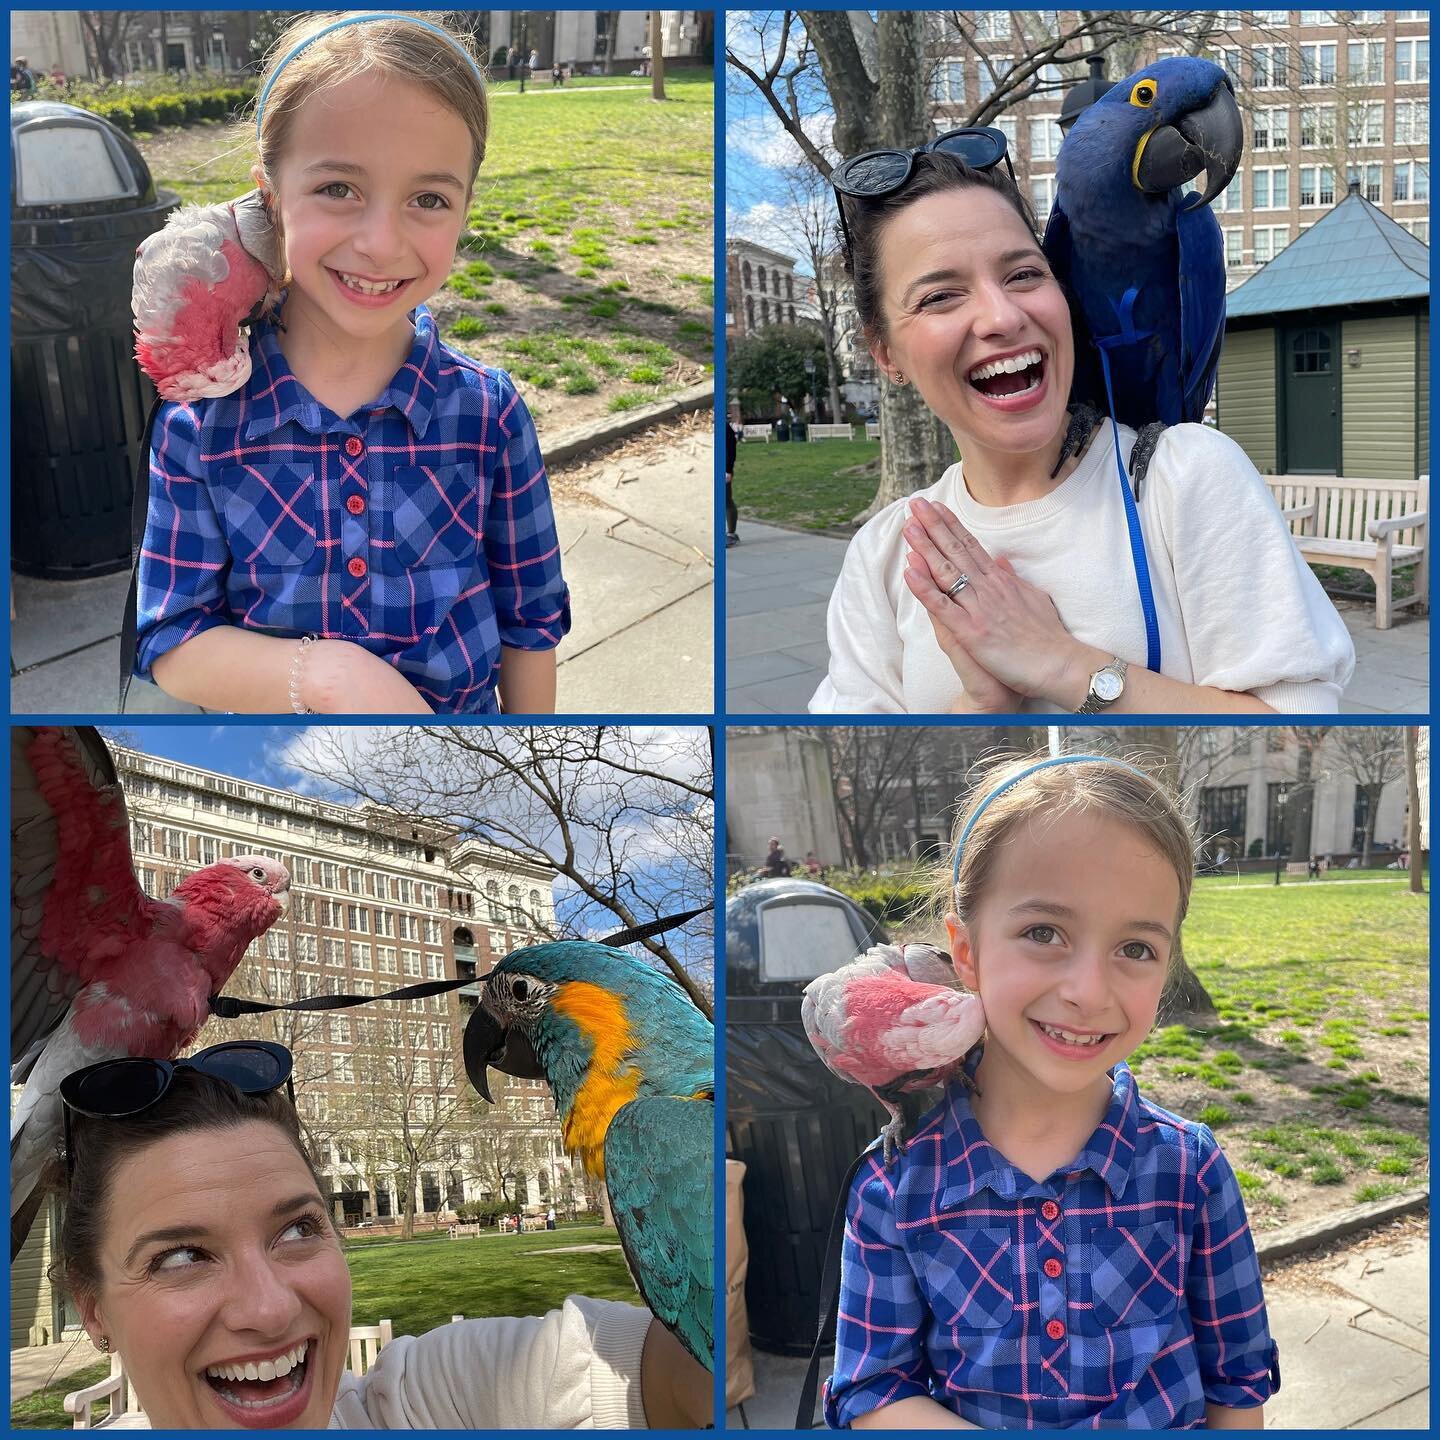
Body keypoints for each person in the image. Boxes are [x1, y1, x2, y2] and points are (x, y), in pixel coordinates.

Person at [809, 135, 1355, 715]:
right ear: (885, 353)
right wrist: (984, 705)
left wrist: (1059, 662)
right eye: (941, 296)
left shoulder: (1183, 476)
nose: (1002, 316)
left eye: (1023, 275)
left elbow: (1299, 720)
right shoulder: (886, 553)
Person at [825, 754, 1280, 1428]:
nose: (1088, 992)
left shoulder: (1189, 1169)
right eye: (1044, 933)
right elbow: (872, 1389)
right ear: (967, 950)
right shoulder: (894, 1186)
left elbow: (1238, 1387)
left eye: (1136, 948)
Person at [133, 12, 570, 715]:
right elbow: (172, 640)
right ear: (271, 198)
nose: (379, 242)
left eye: (428, 199)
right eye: (339, 188)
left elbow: (531, 624)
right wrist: (330, 677)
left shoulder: (487, 413)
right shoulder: (200, 421)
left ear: (464, 211)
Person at [56, 1045, 710, 1429]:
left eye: (296, 1229)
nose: (272, 1308)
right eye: (181, 1256)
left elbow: (673, 1373)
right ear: (93, 1310)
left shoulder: (428, 1404)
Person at [725, 410, 739, 547]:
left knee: (726, 500)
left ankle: (731, 533)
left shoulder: (726, 430)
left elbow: (730, 452)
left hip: (724, 469)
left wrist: (728, 470)